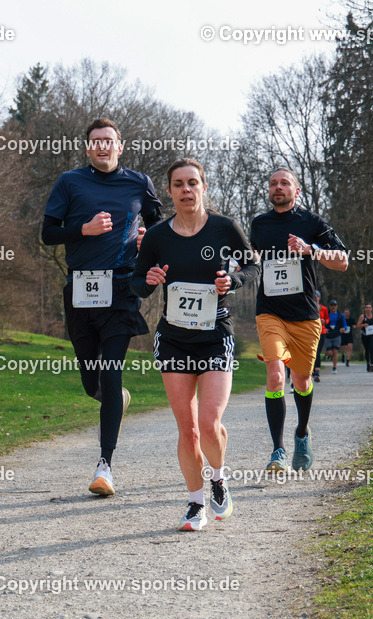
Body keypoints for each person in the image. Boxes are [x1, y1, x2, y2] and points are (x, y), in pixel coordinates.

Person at [132, 159, 260, 531]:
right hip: (173, 338)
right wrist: (149, 279)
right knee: (187, 429)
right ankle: (195, 503)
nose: (186, 190)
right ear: (169, 191)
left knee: (209, 423)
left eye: (192, 183)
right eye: (178, 184)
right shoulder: (157, 236)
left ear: (204, 187)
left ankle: (218, 477)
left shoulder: (224, 227)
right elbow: (136, 283)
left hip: (215, 335)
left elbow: (253, 266)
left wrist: (233, 281)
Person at [42, 118, 163, 496]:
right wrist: (84, 229)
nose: (102, 147)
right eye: (96, 141)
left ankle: (104, 466)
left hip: (122, 289)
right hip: (80, 289)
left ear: (119, 147)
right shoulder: (70, 182)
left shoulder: (139, 183)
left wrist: (147, 238)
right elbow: (47, 233)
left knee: (111, 372)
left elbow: (160, 228)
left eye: (108, 141)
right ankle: (117, 398)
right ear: (87, 148)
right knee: (91, 382)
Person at [251, 168, 348, 473]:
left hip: (305, 315)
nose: (278, 187)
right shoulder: (259, 224)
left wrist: (311, 250)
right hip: (270, 312)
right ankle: (278, 450)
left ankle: (302, 433)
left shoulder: (312, 222)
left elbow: (343, 261)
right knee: (275, 375)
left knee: (301, 381)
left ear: (297, 191)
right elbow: (249, 260)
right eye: (273, 183)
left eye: (284, 183)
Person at [323, 300, 346, 373]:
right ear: (329, 306)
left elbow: (345, 325)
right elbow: (322, 323)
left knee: (335, 351)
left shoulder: (341, 315)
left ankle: (334, 367)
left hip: (337, 335)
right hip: (328, 335)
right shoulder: (326, 315)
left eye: (334, 305)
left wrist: (343, 329)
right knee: (329, 352)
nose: (333, 307)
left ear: (336, 306)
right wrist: (324, 329)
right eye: (331, 305)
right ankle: (328, 355)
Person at [356, 304, 373, 372]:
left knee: (372, 349)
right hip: (365, 335)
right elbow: (357, 326)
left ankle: (372, 365)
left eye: (369, 307)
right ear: (365, 309)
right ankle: (368, 364)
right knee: (367, 349)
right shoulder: (362, 317)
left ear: (371, 309)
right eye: (367, 308)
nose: (368, 309)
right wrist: (363, 325)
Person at [313, 293, 327, 382]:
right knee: (313, 352)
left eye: (317, 296)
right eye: (314, 296)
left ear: (319, 298)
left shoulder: (324, 308)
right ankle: (312, 370)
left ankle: (317, 372)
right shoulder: (310, 307)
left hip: (322, 332)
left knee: (318, 352)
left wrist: (324, 321)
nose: (316, 298)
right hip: (312, 332)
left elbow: (327, 319)